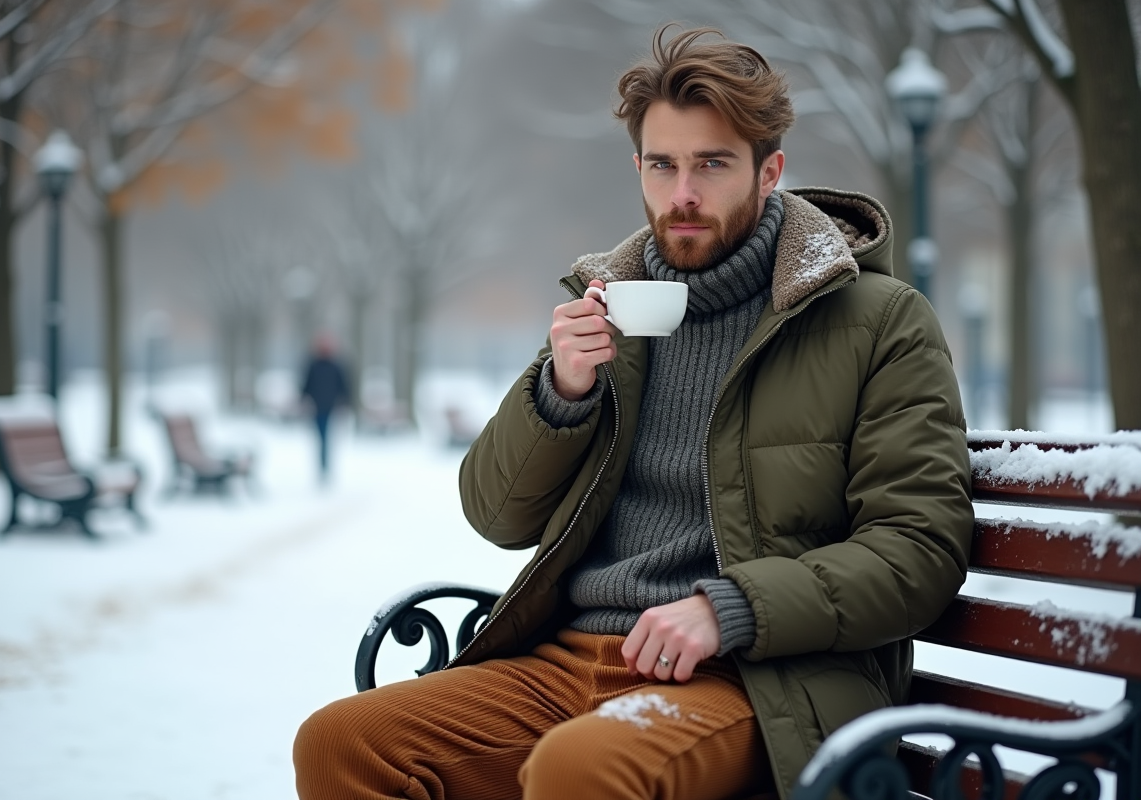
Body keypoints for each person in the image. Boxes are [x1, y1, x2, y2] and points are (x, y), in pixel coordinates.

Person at [294, 26, 973, 800]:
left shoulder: (878, 320)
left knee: (583, 767)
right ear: (639, 169)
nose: (682, 193)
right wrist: (562, 393)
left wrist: (735, 608)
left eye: (712, 164)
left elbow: (918, 550)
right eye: (663, 165)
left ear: (769, 171)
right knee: (343, 744)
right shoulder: (613, 304)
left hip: (750, 680)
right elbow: (495, 516)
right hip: (564, 662)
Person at [300, 334, 352, 480]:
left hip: (331, 407)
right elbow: (306, 384)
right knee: (321, 437)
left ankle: (325, 466)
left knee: (327, 438)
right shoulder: (313, 365)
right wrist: (303, 399)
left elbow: (343, 385)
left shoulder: (336, 366)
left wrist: (345, 402)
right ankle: (322, 466)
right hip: (317, 407)